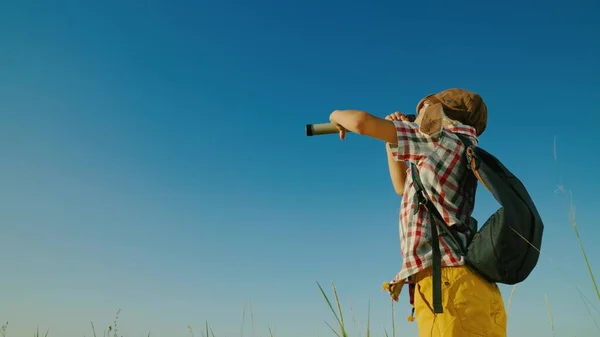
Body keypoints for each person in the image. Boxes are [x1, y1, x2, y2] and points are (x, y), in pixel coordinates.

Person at [328, 88, 506, 337]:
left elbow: (360, 122)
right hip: (475, 287)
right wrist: (392, 136)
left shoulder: (438, 136)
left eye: (423, 108)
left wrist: (335, 115)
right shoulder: (461, 145)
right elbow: (401, 186)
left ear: (439, 112)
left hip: (447, 285)